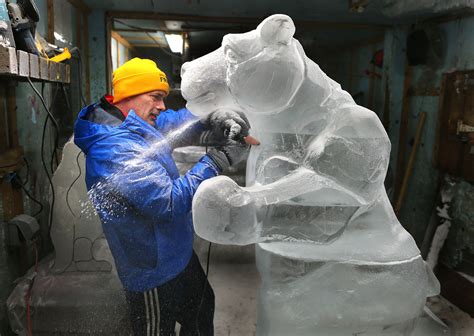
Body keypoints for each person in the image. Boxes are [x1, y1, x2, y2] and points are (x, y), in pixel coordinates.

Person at [73, 58, 251, 336]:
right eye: (156, 97)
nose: (162, 106)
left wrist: (211, 118)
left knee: (202, 307)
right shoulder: (113, 150)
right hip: (151, 269)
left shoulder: (135, 121)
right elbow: (168, 203)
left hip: (175, 251)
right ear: (128, 95)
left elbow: (173, 121)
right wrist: (217, 160)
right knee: (158, 330)